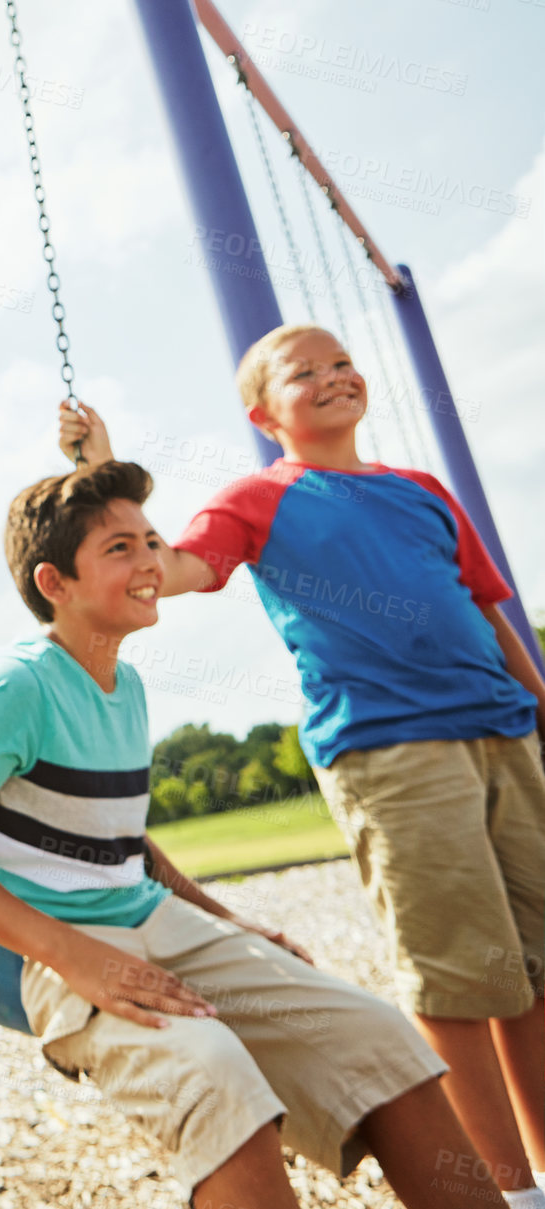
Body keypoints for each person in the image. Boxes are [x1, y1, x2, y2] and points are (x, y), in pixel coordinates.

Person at [0, 459, 505, 1209]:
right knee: (212, 1072)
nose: (150, 560)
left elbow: (122, 846)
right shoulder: (12, 688)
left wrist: (232, 922)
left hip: (143, 918)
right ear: (54, 583)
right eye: (119, 548)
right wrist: (75, 957)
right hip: (29, 947)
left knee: (371, 1032)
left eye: (151, 540)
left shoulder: (124, 684)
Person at [60, 322, 545, 1207]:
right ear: (261, 411)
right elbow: (172, 568)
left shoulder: (423, 491)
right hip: (394, 748)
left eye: (341, 363)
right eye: (303, 371)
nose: (331, 376)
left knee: (533, 968)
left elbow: (488, 610)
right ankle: (507, 1191)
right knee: (459, 975)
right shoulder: (260, 496)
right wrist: (104, 462)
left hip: (507, 735)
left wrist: (539, 710)